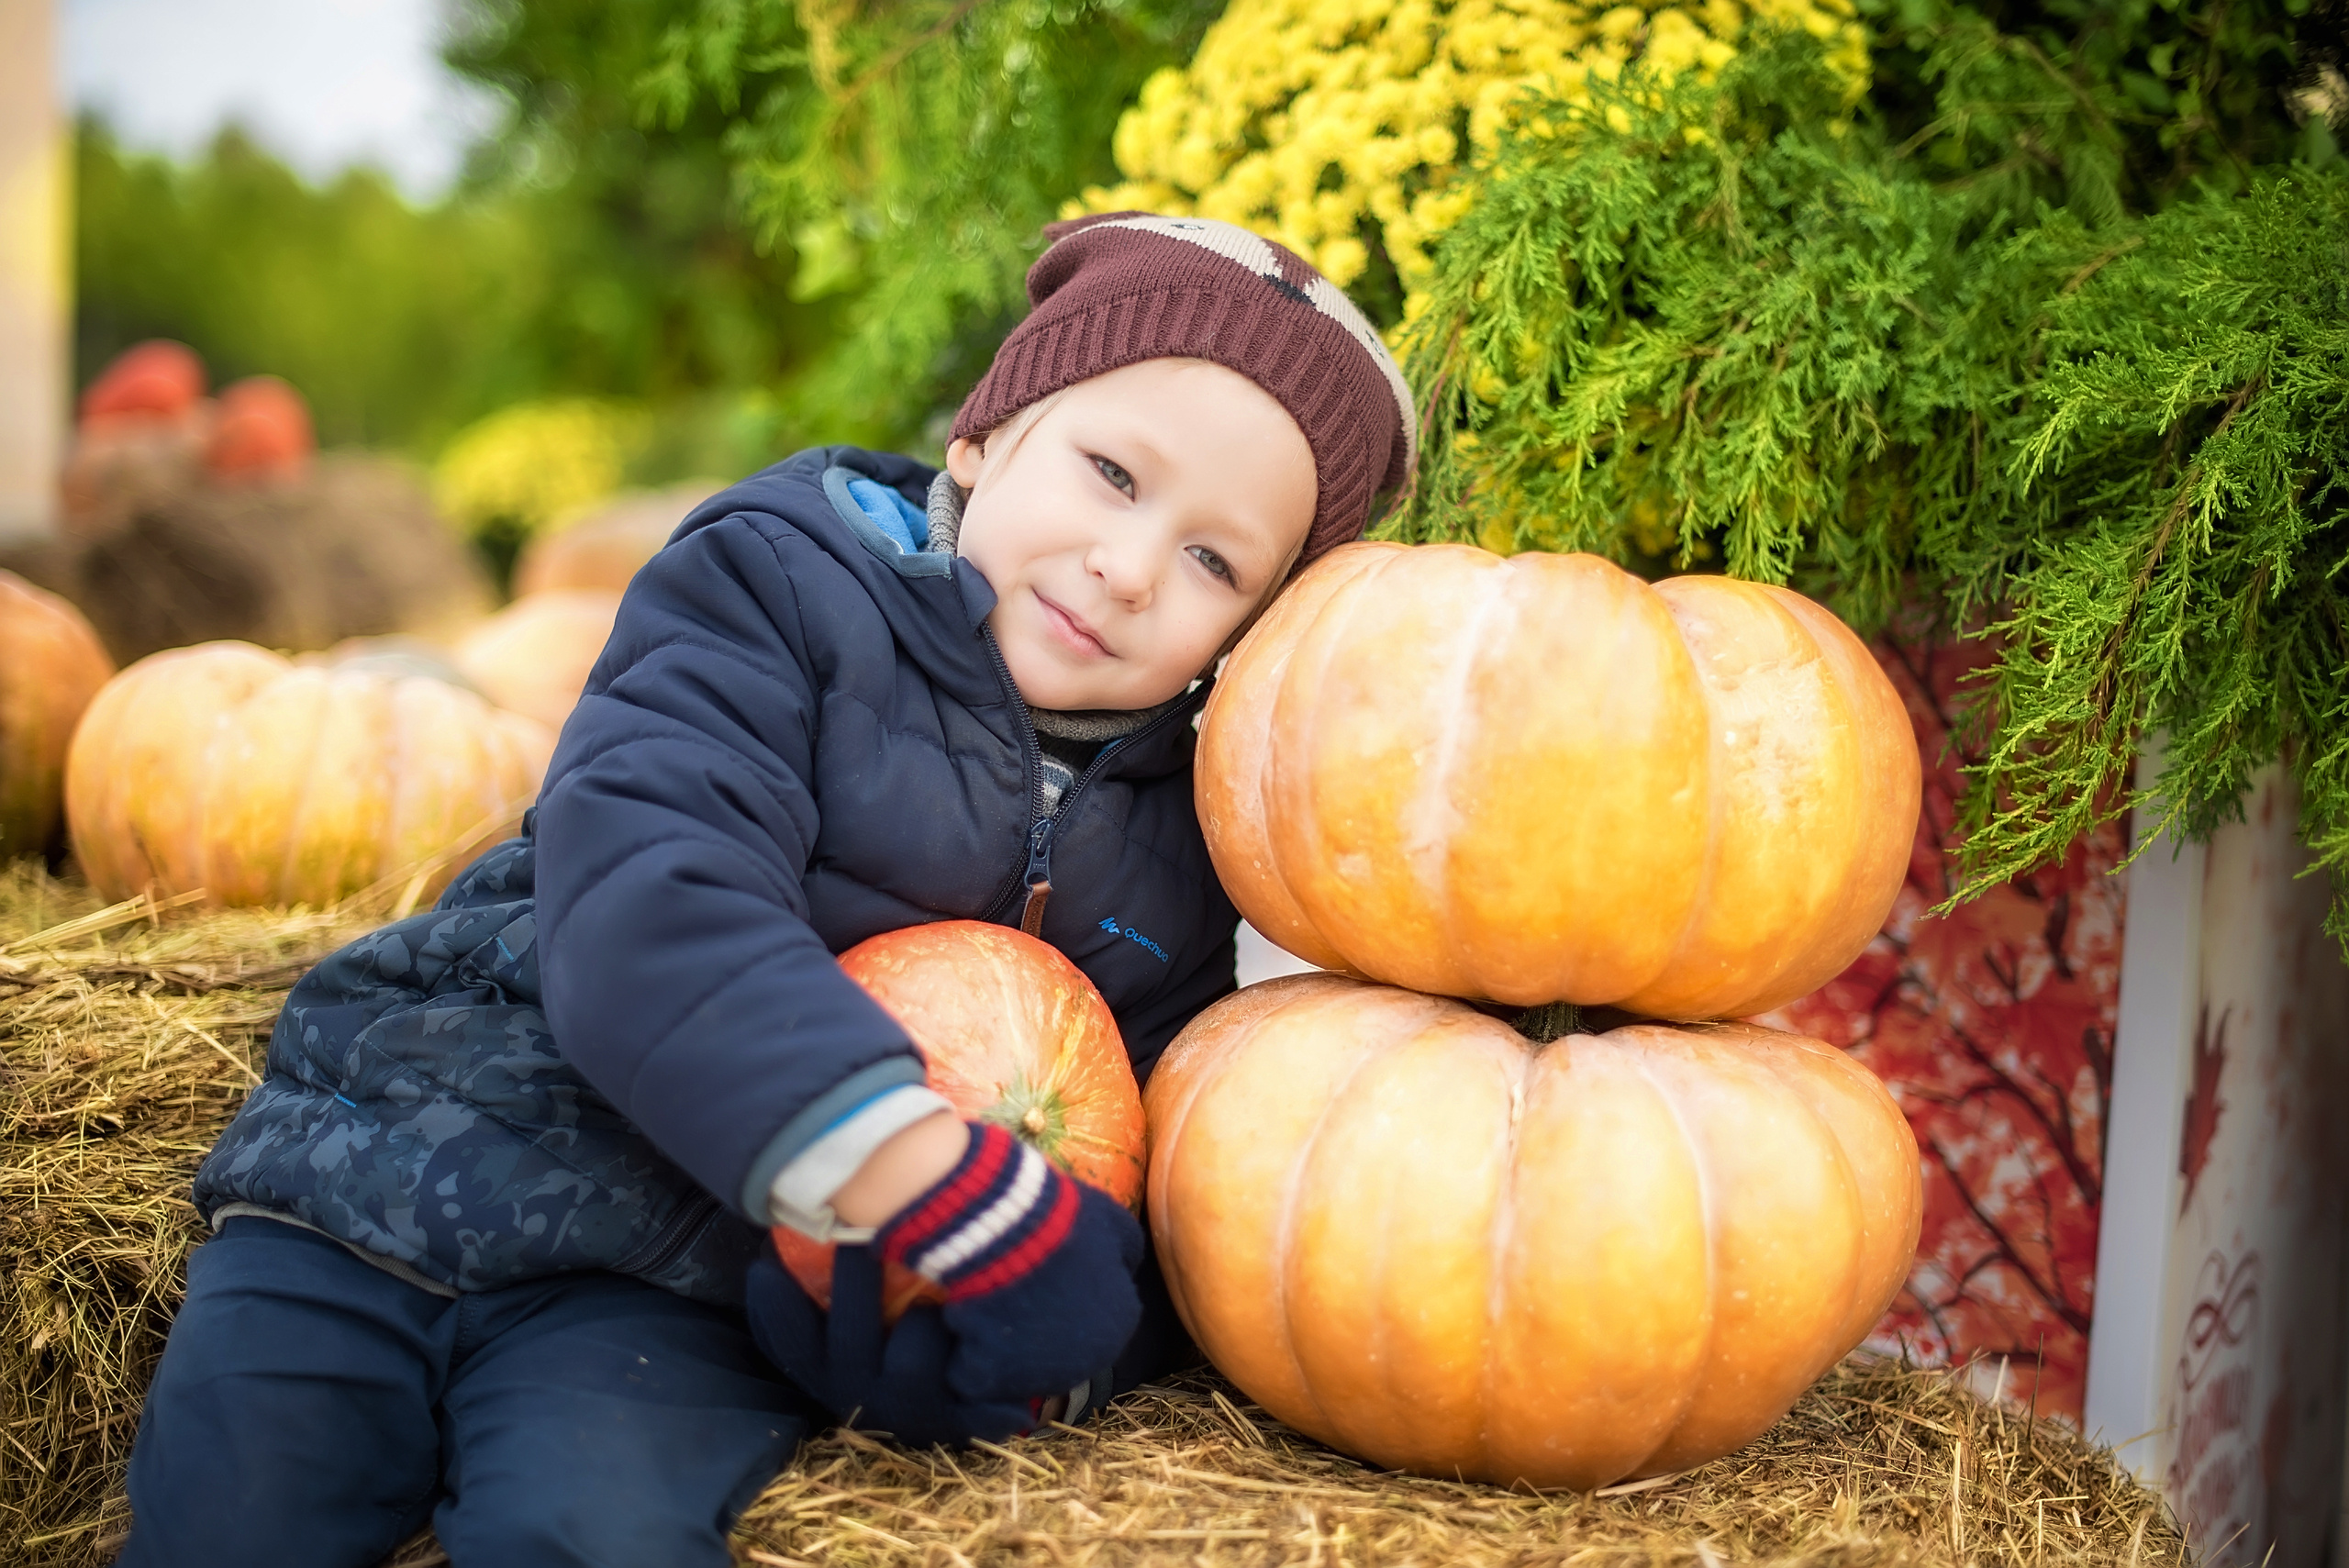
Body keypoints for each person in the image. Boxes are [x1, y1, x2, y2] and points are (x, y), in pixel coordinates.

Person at [117, 213, 1417, 1568]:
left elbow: (1143, 1167)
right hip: (398, 1159)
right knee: (234, 1515)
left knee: (592, 1536)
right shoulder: (774, 585)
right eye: (1110, 473)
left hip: (675, 1305)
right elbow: (652, 898)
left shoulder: (1186, 840)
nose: (1132, 564)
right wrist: (925, 1175)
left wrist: (996, 1346)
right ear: (986, 436)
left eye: (1216, 560)